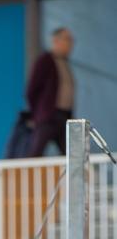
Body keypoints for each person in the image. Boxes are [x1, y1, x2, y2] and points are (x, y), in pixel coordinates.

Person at [27, 27, 75, 156]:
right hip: (48, 116)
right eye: (67, 39)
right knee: (35, 153)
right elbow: (32, 90)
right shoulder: (45, 60)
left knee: (71, 154)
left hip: (64, 116)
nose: (70, 44)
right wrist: (36, 115)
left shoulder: (64, 62)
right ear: (56, 41)